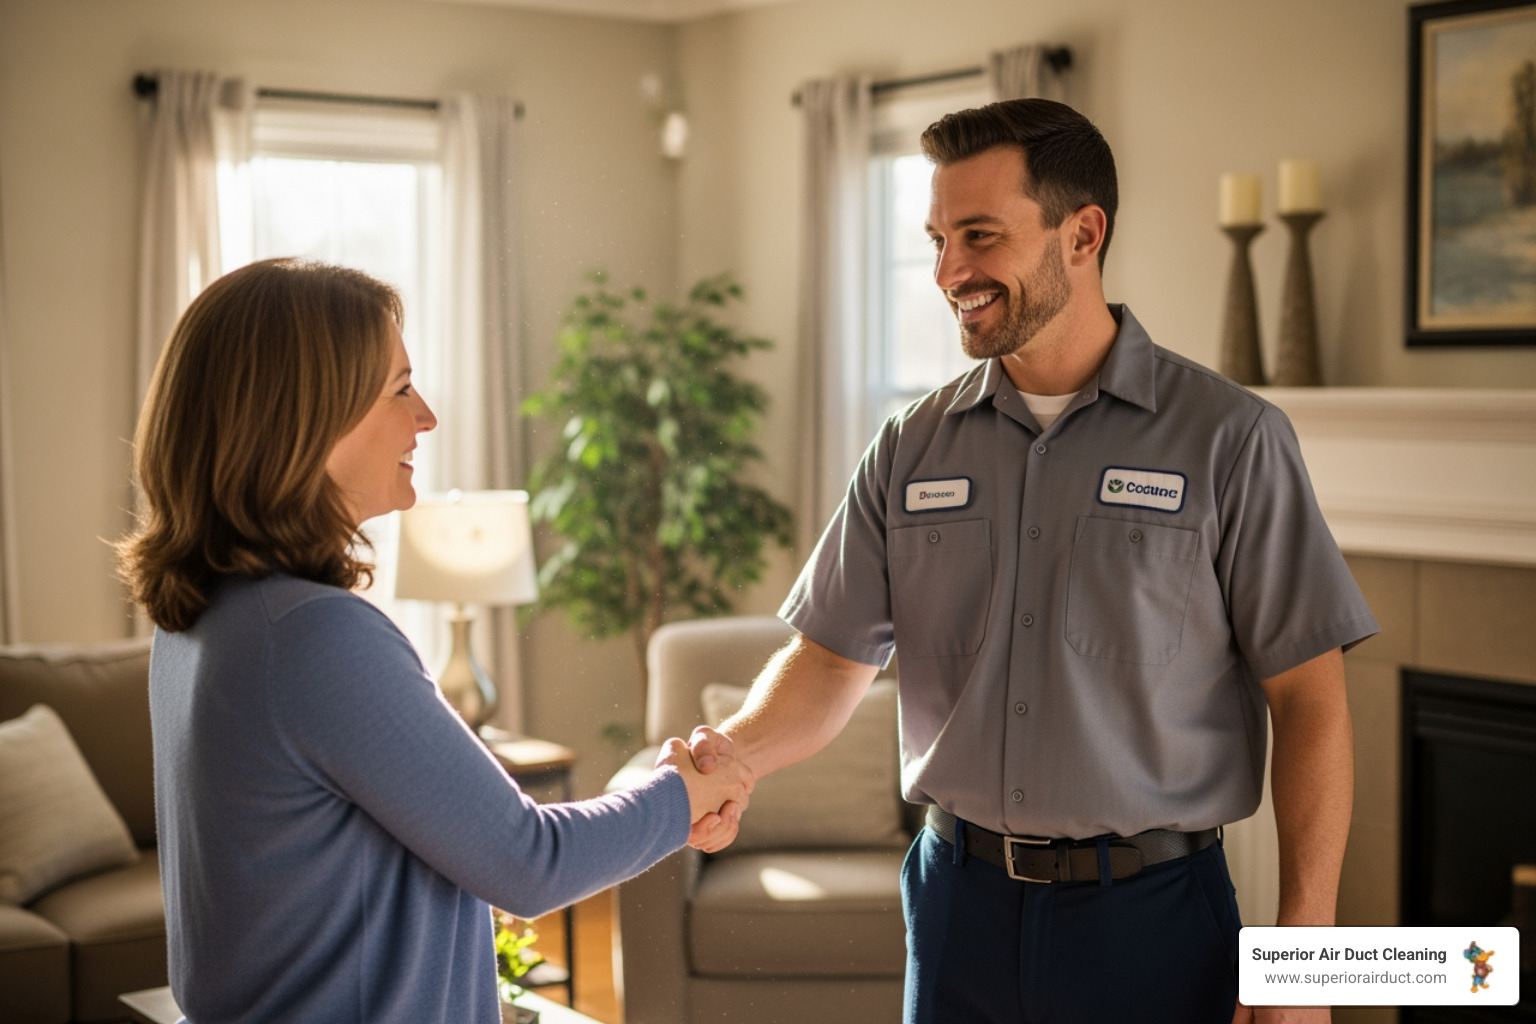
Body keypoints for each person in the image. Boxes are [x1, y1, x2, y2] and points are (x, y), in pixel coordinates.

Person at [686, 99, 1378, 1024]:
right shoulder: (910, 447)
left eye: (979, 235)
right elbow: (828, 659)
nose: (948, 272)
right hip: (956, 906)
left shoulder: (1232, 440)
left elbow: (1310, 698)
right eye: (936, 239)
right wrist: (725, 756)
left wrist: (1305, 952)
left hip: (1153, 922)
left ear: (1083, 233)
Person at [117, 257, 749, 1024]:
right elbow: (528, 862)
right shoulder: (311, 637)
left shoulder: (205, 619)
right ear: (302, 420)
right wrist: (679, 796)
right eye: (398, 389)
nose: (426, 416)